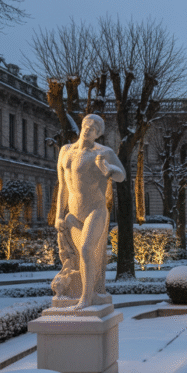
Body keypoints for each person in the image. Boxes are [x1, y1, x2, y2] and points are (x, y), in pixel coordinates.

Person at [52, 114, 126, 310]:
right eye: (86, 125)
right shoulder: (65, 151)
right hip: (73, 214)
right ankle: (85, 291)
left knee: (86, 249)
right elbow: (62, 187)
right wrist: (59, 215)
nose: (88, 129)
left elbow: (122, 175)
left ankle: (86, 298)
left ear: (97, 134)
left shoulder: (103, 152)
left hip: (96, 209)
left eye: (93, 128)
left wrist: (107, 168)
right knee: (79, 255)